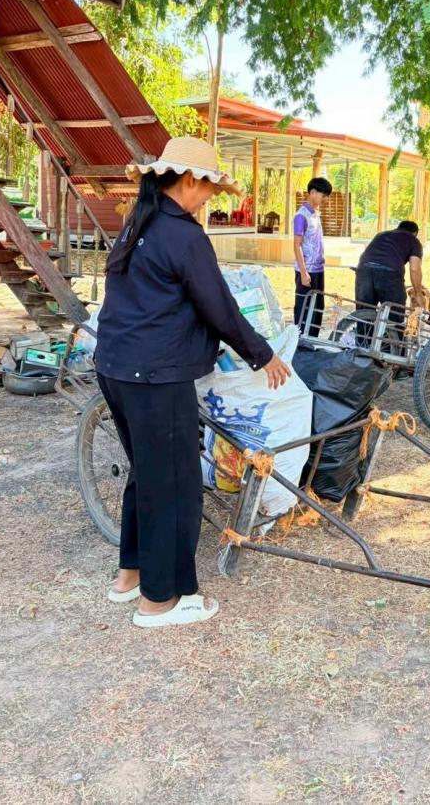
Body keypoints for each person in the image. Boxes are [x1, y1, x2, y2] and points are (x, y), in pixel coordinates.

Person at [95, 137, 292, 627]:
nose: (208, 200)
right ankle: (161, 600)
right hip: (155, 376)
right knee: (176, 485)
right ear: (188, 181)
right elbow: (220, 307)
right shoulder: (183, 235)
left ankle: (130, 576)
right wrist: (262, 354)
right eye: (208, 190)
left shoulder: (138, 223)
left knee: (147, 474)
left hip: (116, 367)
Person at [293, 177, 332, 337]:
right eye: (324, 195)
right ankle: (300, 342)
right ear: (313, 192)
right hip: (307, 270)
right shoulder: (301, 216)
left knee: (317, 309)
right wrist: (303, 272)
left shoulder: (315, 214)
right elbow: (297, 245)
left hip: (318, 269)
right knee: (304, 308)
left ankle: (312, 342)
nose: (326, 199)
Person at [355, 220, 425, 309]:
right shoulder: (413, 240)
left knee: (363, 312)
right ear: (414, 233)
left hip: (364, 270)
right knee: (394, 311)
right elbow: (415, 269)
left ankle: (363, 317)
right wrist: (418, 294)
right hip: (389, 273)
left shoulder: (381, 235)